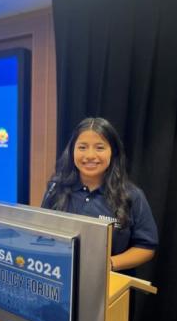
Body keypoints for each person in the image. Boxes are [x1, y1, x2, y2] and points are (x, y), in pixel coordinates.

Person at [41, 117, 158, 273]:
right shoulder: (56, 188)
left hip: (108, 286)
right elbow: (42, 234)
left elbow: (146, 247)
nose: (90, 155)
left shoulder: (132, 196)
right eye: (82, 147)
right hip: (59, 277)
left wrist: (107, 264)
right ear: (72, 151)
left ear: (113, 152)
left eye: (99, 147)